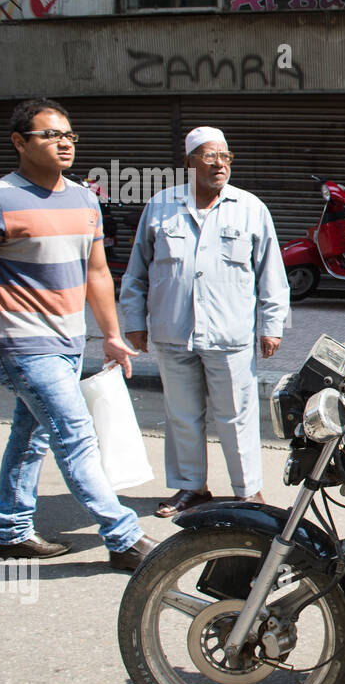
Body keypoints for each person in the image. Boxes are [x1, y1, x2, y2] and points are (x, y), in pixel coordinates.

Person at [0, 98, 153, 570]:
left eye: (70, 135)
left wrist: (111, 335)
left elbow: (97, 272)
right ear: (19, 142)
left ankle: (9, 533)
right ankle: (125, 538)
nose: (65, 143)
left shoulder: (83, 198)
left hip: (69, 342)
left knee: (30, 435)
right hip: (22, 345)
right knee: (76, 436)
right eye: (51, 135)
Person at [119, 127, 288, 517]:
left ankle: (248, 492)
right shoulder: (161, 206)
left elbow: (271, 273)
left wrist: (271, 324)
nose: (220, 164)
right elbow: (136, 271)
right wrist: (133, 320)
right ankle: (191, 488)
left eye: (226, 157)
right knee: (181, 414)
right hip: (172, 332)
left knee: (237, 415)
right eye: (210, 156)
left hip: (229, 335)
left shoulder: (250, 208)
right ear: (189, 162)